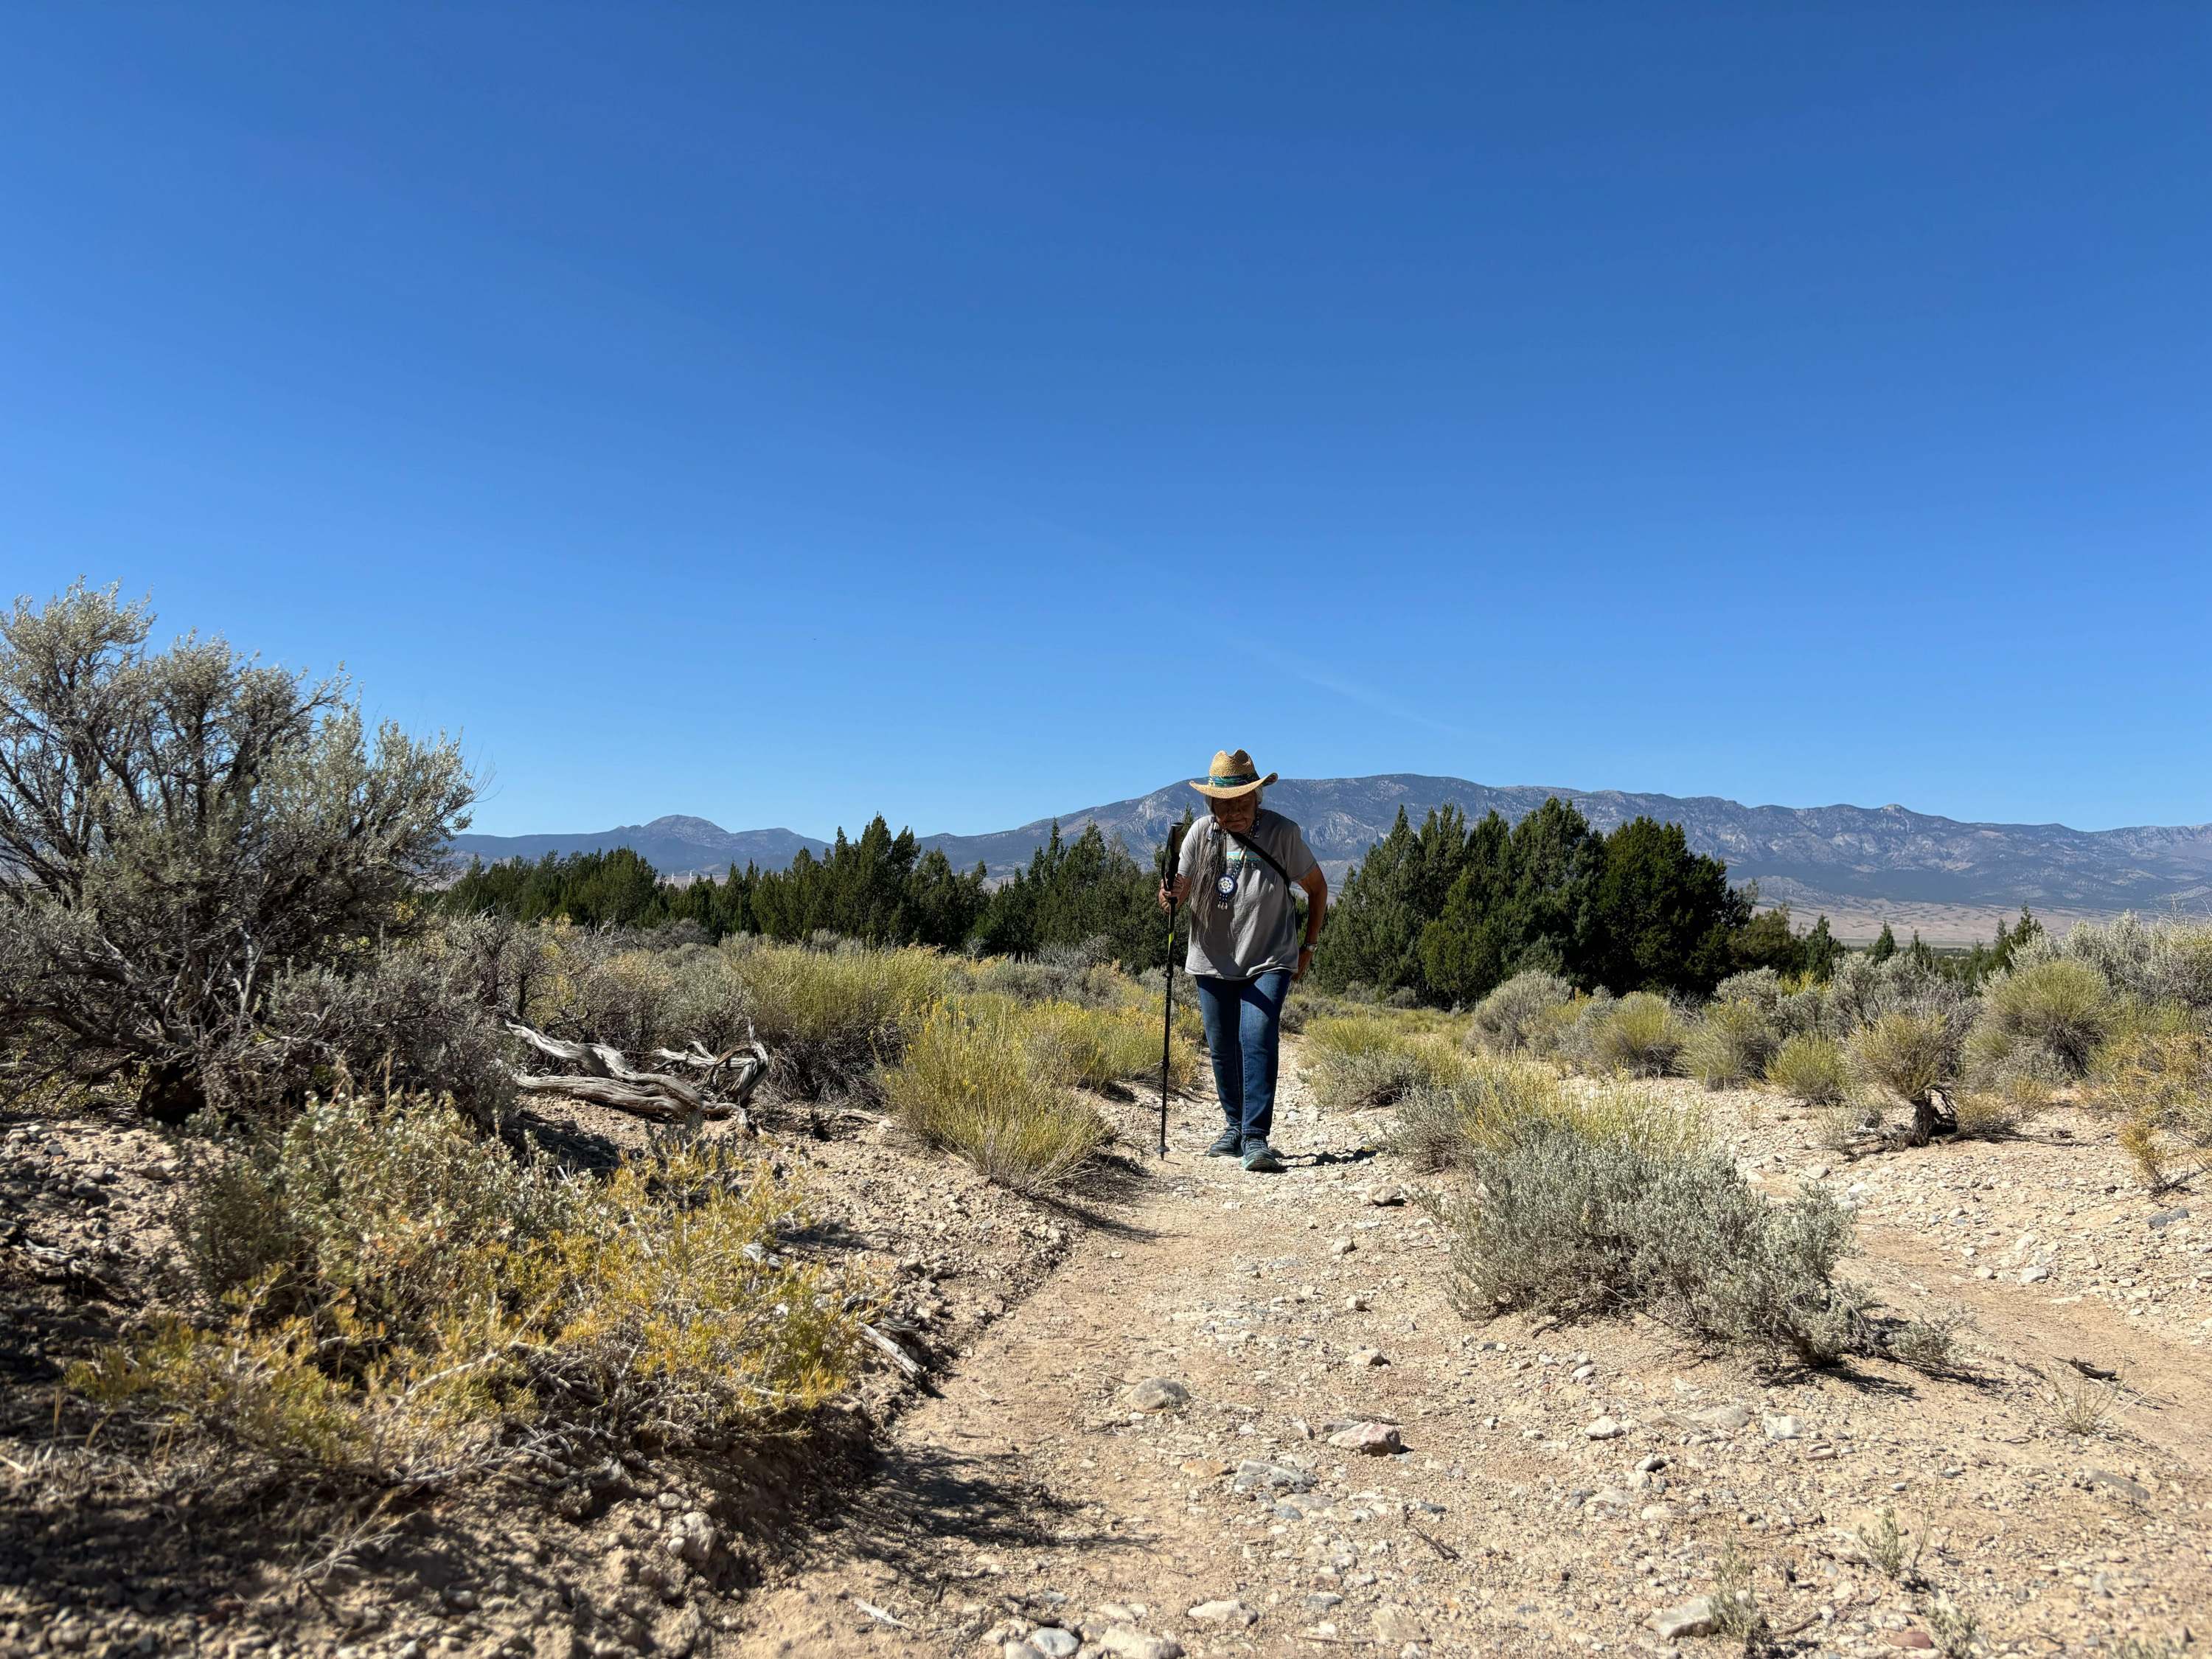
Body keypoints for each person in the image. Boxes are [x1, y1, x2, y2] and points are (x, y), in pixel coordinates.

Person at [1158, 749, 1329, 1172]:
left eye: (1241, 802)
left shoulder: (1282, 834)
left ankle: (1256, 1138)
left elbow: (1318, 889)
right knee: (1221, 1047)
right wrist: (1171, 896)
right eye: (1223, 804)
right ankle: (1234, 1126)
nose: (1232, 811)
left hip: (1270, 955)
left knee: (1257, 1037)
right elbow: (1179, 894)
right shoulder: (1200, 835)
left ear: (1257, 799)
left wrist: (1307, 948)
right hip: (1212, 957)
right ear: (1211, 802)